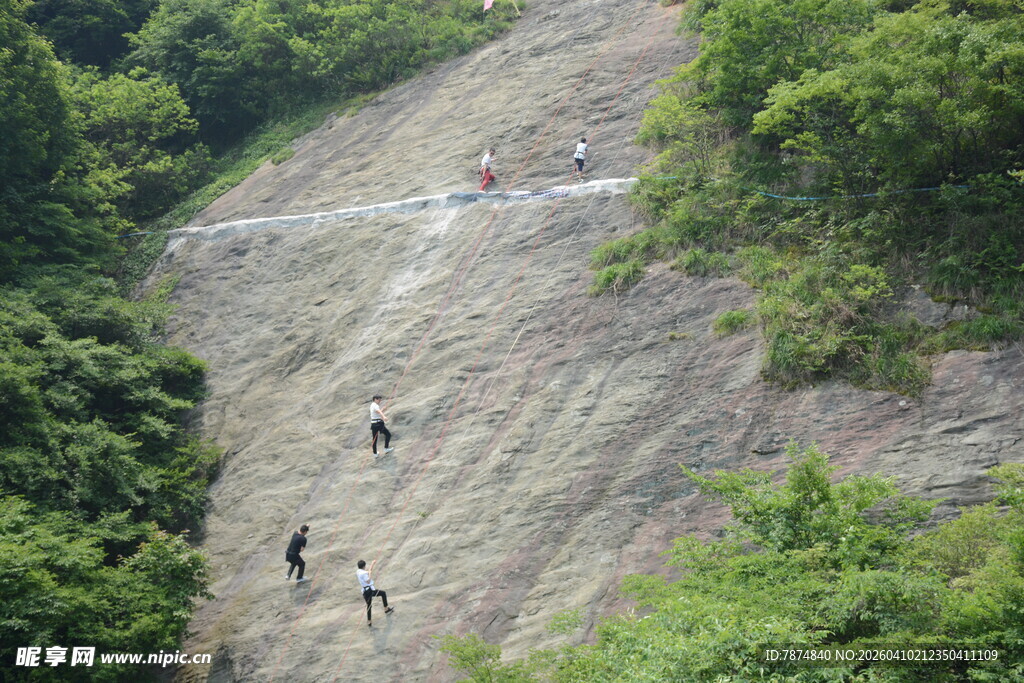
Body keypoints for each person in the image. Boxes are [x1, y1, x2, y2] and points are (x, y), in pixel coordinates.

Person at [356, 559, 393, 626]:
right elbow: (368, 581)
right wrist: (370, 574)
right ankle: (386, 609)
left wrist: (372, 564)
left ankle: (369, 621)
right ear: (364, 566)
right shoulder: (364, 574)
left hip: (365, 591)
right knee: (383, 593)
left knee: (369, 606)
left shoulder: (358, 571)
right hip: (369, 591)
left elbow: (369, 571)